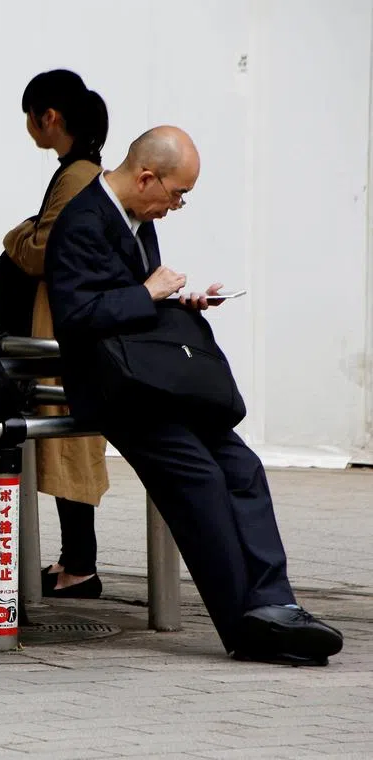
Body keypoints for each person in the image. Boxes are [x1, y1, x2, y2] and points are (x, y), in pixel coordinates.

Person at [45, 125, 344, 665]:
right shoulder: (83, 221)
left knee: (242, 466)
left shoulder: (137, 217)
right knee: (200, 479)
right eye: (177, 193)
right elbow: (77, 318)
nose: (177, 206)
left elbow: (135, 301)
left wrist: (180, 301)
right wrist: (146, 293)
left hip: (155, 378)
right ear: (145, 177)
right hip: (118, 391)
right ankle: (244, 626)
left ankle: (276, 603)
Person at [1, 70, 111, 598]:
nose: (28, 128)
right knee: (69, 444)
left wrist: (14, 233)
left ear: (49, 117)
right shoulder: (84, 171)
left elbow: (44, 248)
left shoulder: (77, 176)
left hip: (62, 326)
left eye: (29, 117)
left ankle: (79, 566)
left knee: (67, 444)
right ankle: (76, 562)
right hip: (68, 323)